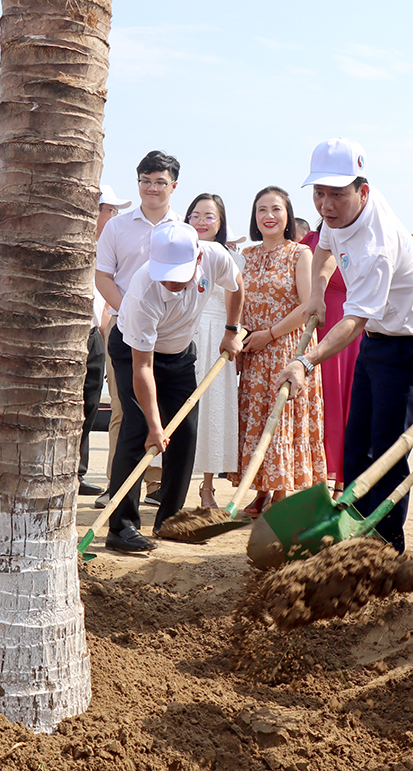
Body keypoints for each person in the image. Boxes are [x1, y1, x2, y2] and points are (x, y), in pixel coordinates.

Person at [279, 138, 413, 553]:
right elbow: (326, 249)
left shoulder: (375, 247)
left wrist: (305, 360)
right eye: (319, 193)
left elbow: (353, 321)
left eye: (337, 194)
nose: (326, 204)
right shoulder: (338, 217)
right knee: (357, 446)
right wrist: (316, 292)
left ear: (362, 191)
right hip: (377, 339)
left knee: (388, 450)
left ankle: (387, 546)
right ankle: (352, 532)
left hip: (409, 345)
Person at [106, 222, 244, 552]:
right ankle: (121, 527)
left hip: (181, 353)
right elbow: (143, 368)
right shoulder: (143, 291)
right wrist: (155, 427)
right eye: (164, 272)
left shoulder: (214, 257)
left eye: (178, 274)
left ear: (197, 258)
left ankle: (169, 521)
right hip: (134, 354)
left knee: (185, 432)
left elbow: (236, 285)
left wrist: (231, 330)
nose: (170, 281)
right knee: (139, 430)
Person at [95, 151, 183, 506]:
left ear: (173, 186)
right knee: (124, 409)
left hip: (171, 331)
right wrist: (130, 312)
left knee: (164, 409)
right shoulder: (117, 226)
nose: (152, 188)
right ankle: (116, 485)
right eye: (145, 181)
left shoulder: (182, 228)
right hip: (124, 328)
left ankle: (156, 485)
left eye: (160, 182)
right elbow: (103, 277)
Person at [234, 186, 324, 516]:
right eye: (262, 210)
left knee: (283, 420)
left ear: (287, 215)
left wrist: (269, 334)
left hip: (287, 347)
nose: (269, 216)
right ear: (254, 218)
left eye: (276, 209)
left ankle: (281, 493)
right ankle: (259, 491)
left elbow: (306, 306)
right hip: (254, 351)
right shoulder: (246, 255)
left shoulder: (300, 253)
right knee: (257, 421)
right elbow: (237, 301)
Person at [185, 192, 242, 508]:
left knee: (213, 412)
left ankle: (207, 489)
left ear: (220, 223)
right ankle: (170, 487)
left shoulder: (228, 256)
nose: (202, 222)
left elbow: (237, 298)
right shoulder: (178, 250)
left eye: (209, 216)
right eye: (195, 215)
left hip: (217, 340)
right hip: (182, 337)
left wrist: (233, 335)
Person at [299, 215, 360, 489]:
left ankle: (343, 480)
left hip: (352, 327)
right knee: (320, 405)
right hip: (317, 326)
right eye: (322, 196)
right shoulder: (309, 242)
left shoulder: (361, 238)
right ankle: (319, 478)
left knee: (348, 401)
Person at [82, 184, 130, 503]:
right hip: (82, 332)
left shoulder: (109, 243)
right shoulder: (80, 242)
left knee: (88, 405)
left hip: (99, 331)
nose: (114, 215)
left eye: (115, 210)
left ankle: (78, 472)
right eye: (110, 209)